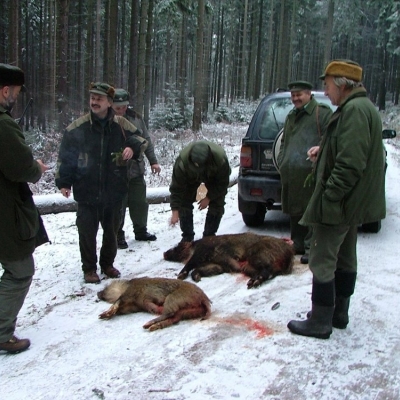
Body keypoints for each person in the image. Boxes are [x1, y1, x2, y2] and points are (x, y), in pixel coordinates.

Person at [287, 60, 386, 339]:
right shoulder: (360, 108)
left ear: (342, 83)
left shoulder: (354, 111)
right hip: (351, 202)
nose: (325, 90)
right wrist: (326, 150)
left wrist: (330, 194)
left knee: (321, 256)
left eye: (327, 84)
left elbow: (352, 163)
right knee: (344, 256)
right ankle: (339, 313)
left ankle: (320, 321)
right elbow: (349, 150)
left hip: (340, 202)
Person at [55, 82, 148, 284]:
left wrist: (132, 147)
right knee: (87, 233)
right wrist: (64, 182)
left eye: (99, 99)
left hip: (114, 191)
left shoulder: (121, 125)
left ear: (109, 102)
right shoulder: (78, 128)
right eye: (92, 98)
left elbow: (141, 140)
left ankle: (107, 264)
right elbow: (66, 156)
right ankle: (89, 269)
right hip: (86, 191)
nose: (94, 102)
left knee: (112, 233)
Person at [0, 63, 50, 353]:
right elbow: (20, 168)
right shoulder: (3, 124)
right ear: (6, 90)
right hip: (5, 211)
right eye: (16, 92)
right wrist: (37, 168)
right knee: (20, 270)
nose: (16, 97)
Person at [278, 81, 332, 264]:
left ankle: (311, 247)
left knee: (311, 210)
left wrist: (319, 154)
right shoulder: (291, 116)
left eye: (299, 94)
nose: (295, 98)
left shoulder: (321, 113)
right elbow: (285, 140)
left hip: (311, 173)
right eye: (293, 95)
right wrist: (283, 160)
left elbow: (331, 139)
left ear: (309, 94)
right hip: (291, 173)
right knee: (295, 210)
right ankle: (298, 244)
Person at [112, 88, 160, 248]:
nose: (121, 110)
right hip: (115, 173)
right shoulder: (105, 120)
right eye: (117, 107)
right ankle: (118, 235)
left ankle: (141, 230)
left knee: (139, 202)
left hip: (136, 169)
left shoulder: (136, 118)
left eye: (123, 107)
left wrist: (153, 161)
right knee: (118, 205)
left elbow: (146, 139)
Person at [169, 140, 231, 242]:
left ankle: (209, 237)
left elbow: (222, 184)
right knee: (184, 201)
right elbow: (177, 188)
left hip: (213, 177)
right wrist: (175, 211)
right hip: (191, 178)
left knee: (217, 203)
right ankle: (187, 237)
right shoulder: (182, 164)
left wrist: (208, 197)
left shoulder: (220, 161)